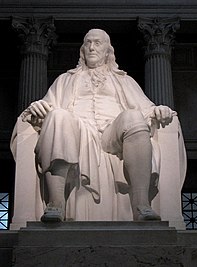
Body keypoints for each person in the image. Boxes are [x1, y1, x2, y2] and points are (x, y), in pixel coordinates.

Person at [22, 29, 175, 222]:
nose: (92, 47)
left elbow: (146, 109)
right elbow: (47, 108)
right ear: (82, 50)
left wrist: (158, 111)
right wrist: (37, 107)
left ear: (107, 51)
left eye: (97, 43)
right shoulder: (65, 80)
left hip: (112, 134)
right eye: (88, 43)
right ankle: (56, 204)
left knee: (134, 117)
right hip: (77, 131)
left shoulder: (124, 80)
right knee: (58, 116)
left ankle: (141, 205)